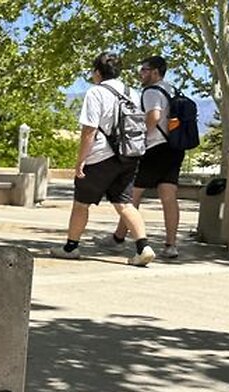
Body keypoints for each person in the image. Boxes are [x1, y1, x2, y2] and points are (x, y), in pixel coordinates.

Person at [50, 52, 155, 267]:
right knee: (124, 203)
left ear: (98, 72)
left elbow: (89, 130)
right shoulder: (132, 93)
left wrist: (81, 160)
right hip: (129, 155)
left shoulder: (96, 93)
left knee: (81, 203)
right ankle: (143, 247)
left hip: (101, 156)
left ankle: (71, 247)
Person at [111, 56, 184, 259]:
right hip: (174, 148)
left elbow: (154, 117)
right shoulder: (172, 89)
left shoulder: (152, 91)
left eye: (144, 70)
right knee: (169, 196)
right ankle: (171, 245)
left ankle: (119, 239)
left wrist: (141, 139)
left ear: (155, 71)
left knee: (131, 195)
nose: (140, 74)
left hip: (154, 148)